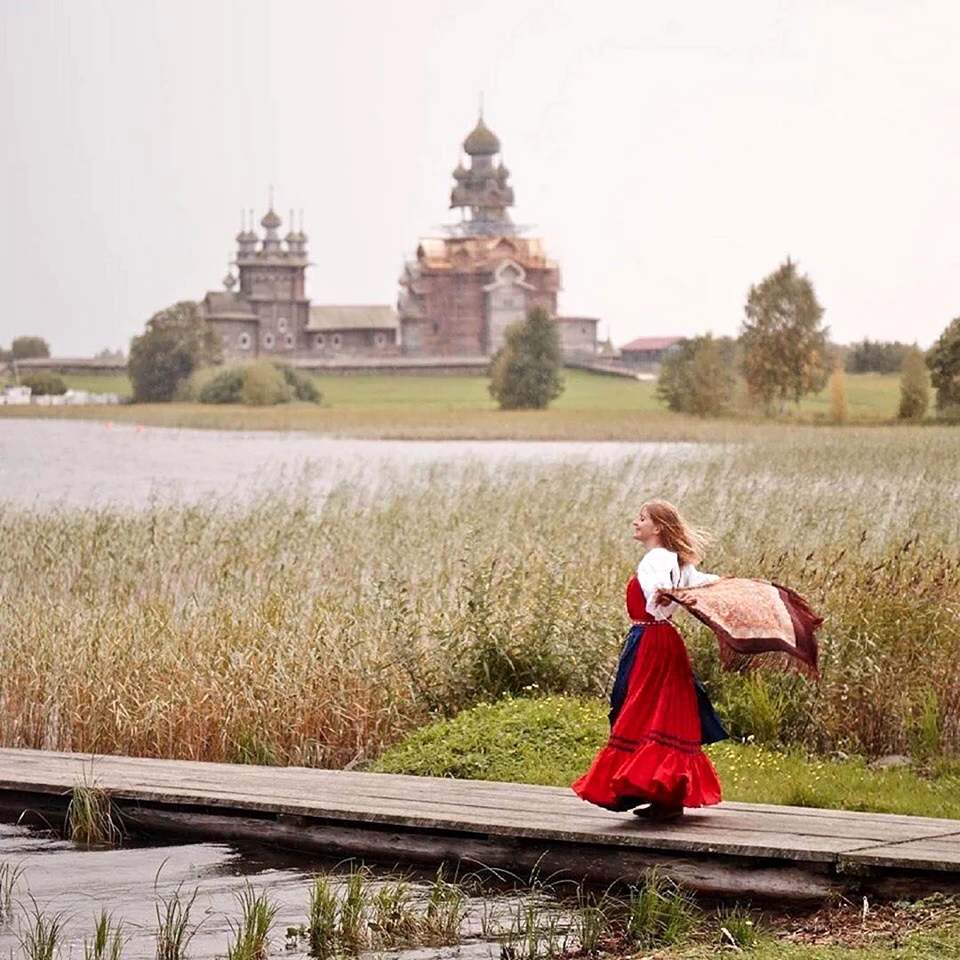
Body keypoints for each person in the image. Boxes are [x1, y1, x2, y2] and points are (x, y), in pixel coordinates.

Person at [572, 499, 725, 821]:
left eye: (641, 518)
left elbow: (658, 597)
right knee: (662, 711)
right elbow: (700, 582)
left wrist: (664, 595)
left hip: (650, 640)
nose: (635, 522)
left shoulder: (655, 559)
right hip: (665, 639)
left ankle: (633, 786)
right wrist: (727, 584)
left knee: (639, 708)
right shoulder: (677, 560)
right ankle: (665, 795)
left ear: (657, 528)